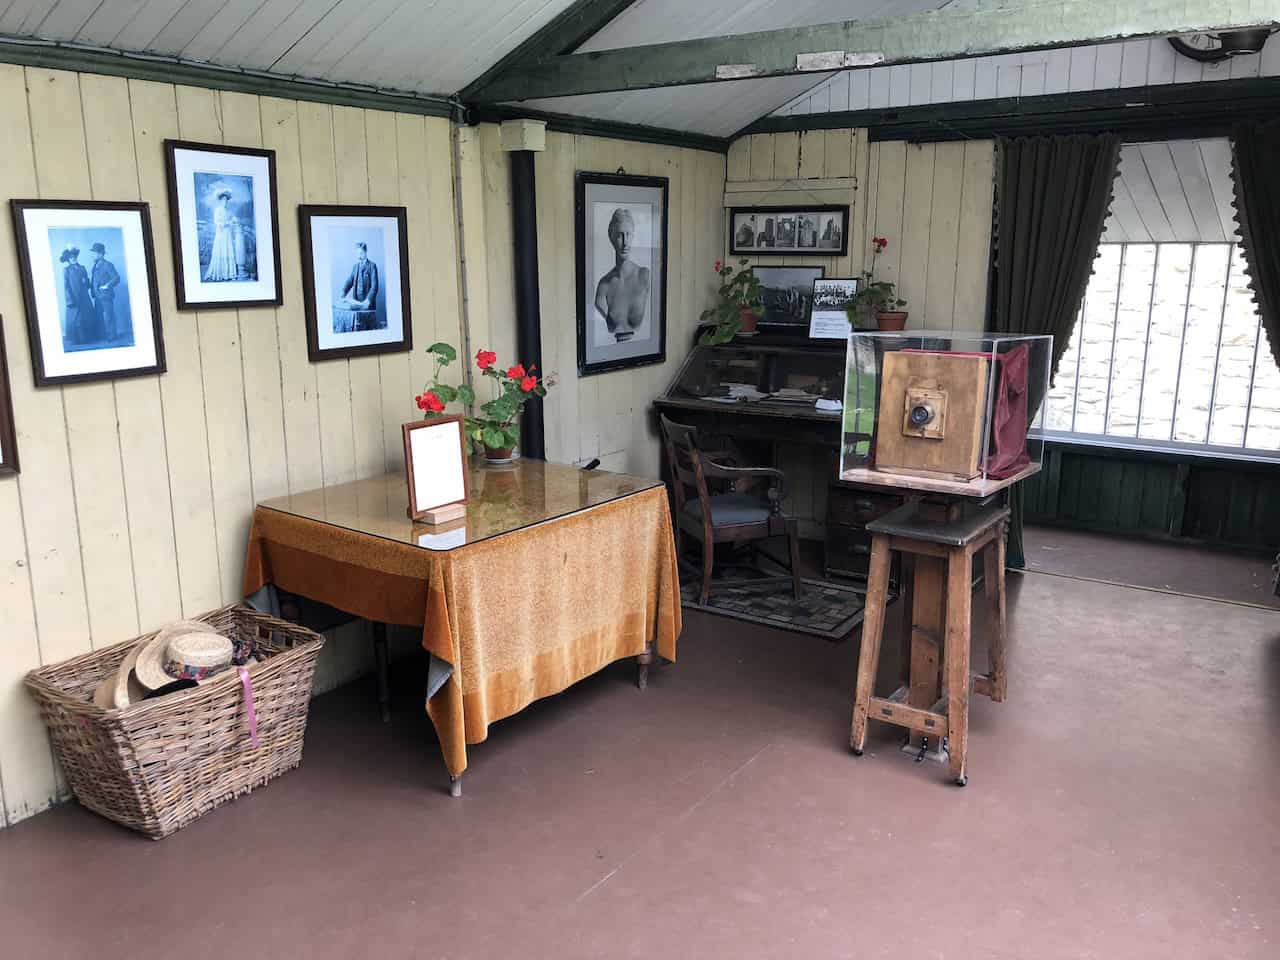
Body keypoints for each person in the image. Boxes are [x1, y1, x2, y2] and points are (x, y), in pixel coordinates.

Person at [594, 207, 650, 343]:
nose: (625, 242)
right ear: (611, 236)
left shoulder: (644, 276)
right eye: (620, 235)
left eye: (628, 235)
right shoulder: (603, 286)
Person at [60, 246, 97, 347]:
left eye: (75, 256)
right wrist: (70, 300)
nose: (73, 258)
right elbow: (66, 286)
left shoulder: (82, 268)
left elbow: (88, 284)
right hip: (74, 298)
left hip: (84, 297)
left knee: (87, 316)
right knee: (77, 319)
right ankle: (77, 340)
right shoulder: (66, 270)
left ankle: (88, 339)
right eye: (71, 257)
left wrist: (86, 282)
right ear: (68, 259)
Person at [204, 189, 241, 282]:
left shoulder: (227, 211)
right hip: (221, 233)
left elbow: (231, 220)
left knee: (228, 250)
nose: (225, 202)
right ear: (220, 200)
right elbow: (217, 222)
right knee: (221, 250)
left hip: (227, 233)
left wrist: (233, 221)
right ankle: (220, 273)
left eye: (226, 200)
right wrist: (227, 223)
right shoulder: (218, 210)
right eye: (223, 200)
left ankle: (229, 274)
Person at [90, 242, 121, 343]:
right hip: (98, 296)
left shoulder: (107, 265)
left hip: (106, 295)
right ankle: (103, 335)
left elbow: (116, 278)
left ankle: (112, 336)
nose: (93, 255)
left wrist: (107, 286)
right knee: (99, 316)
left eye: (95, 253)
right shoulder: (95, 265)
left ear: (100, 254)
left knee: (108, 316)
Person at [339, 242, 380, 318]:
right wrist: (343, 292)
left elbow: (375, 287)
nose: (359, 256)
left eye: (361, 253)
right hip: (356, 304)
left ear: (365, 252)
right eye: (357, 254)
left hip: (368, 305)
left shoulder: (372, 266)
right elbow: (349, 281)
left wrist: (368, 300)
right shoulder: (355, 267)